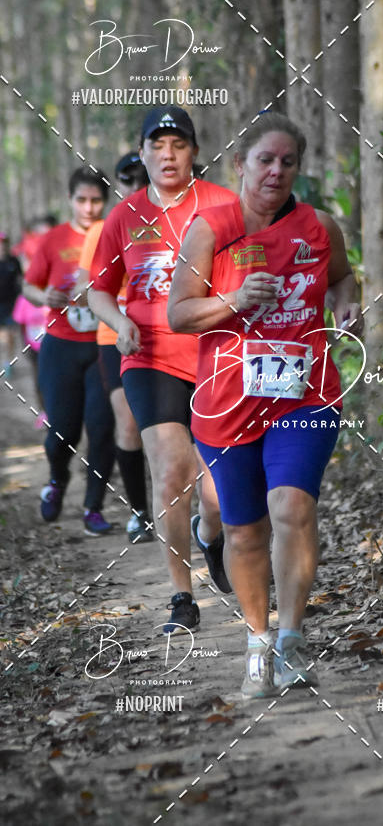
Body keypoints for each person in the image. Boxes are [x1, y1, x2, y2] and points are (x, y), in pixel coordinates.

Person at [167, 112, 362, 698]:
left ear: (298, 167)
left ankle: (291, 642)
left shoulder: (319, 226)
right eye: (265, 160)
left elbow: (342, 278)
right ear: (240, 165)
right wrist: (232, 300)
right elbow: (180, 313)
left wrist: (346, 304)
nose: (276, 171)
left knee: (292, 507)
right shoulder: (211, 228)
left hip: (306, 393)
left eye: (287, 161)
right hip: (227, 401)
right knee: (245, 531)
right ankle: (257, 644)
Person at [88, 106, 236, 633]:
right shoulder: (124, 215)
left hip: (216, 355)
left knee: (218, 491)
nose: (168, 154)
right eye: (157, 145)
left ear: (194, 151)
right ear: (143, 152)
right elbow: (99, 290)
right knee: (172, 471)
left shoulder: (223, 205)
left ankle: (210, 534)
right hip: (149, 357)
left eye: (178, 144)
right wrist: (118, 320)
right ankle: (181, 596)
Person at [22, 167, 115, 536]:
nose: (89, 208)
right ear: (70, 200)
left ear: (105, 201)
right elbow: (29, 286)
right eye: (82, 200)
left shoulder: (114, 234)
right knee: (63, 429)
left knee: (102, 427)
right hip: (60, 346)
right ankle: (57, 480)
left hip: (103, 345)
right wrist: (43, 295)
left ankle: (93, 507)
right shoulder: (53, 239)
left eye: (96, 200)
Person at [76, 153, 151, 545]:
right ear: (117, 186)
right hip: (114, 337)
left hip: (168, 334)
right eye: (127, 179)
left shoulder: (177, 223)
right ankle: (140, 513)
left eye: (142, 179)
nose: (135, 186)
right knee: (128, 421)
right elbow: (87, 288)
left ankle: (200, 511)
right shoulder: (103, 230)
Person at [12, 215, 57, 423]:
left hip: (59, 340)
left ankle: (61, 411)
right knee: (40, 377)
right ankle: (44, 411)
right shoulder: (26, 293)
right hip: (34, 343)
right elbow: (20, 322)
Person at [0, 233, 22, 376]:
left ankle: (8, 362)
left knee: (9, 336)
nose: (2, 246)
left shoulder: (13, 261)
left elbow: (21, 280)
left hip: (11, 305)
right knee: (4, 336)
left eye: (4, 242)